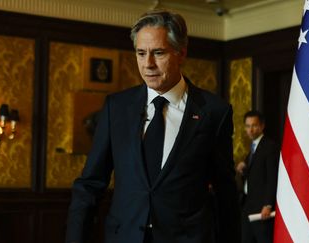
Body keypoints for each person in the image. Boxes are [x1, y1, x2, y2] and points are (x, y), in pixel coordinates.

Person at [65, 9, 240, 243]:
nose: (148, 64)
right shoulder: (117, 107)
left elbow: (225, 191)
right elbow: (89, 185)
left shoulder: (214, 112)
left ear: (181, 53)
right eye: (140, 53)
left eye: (158, 53)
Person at [236, 111, 278, 243]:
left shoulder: (269, 147)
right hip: (248, 206)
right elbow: (255, 176)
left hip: (261, 209)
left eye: (254, 125)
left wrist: (268, 204)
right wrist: (244, 170)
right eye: (247, 126)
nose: (251, 130)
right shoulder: (253, 147)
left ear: (262, 126)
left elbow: (272, 178)